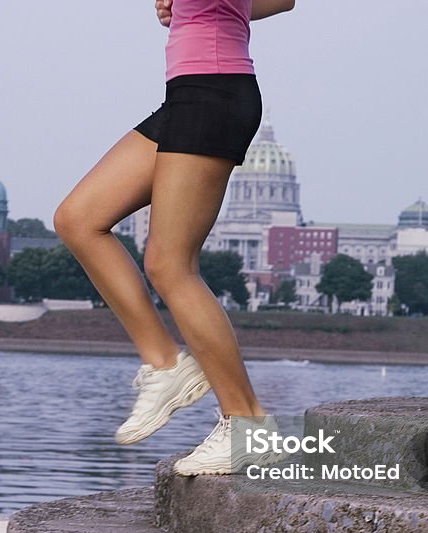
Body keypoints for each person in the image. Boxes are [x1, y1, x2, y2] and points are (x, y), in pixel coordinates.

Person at [53, 0, 295, 475]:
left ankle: (249, 426)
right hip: (189, 94)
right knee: (78, 218)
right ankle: (165, 364)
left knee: (170, 264)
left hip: (215, 92)